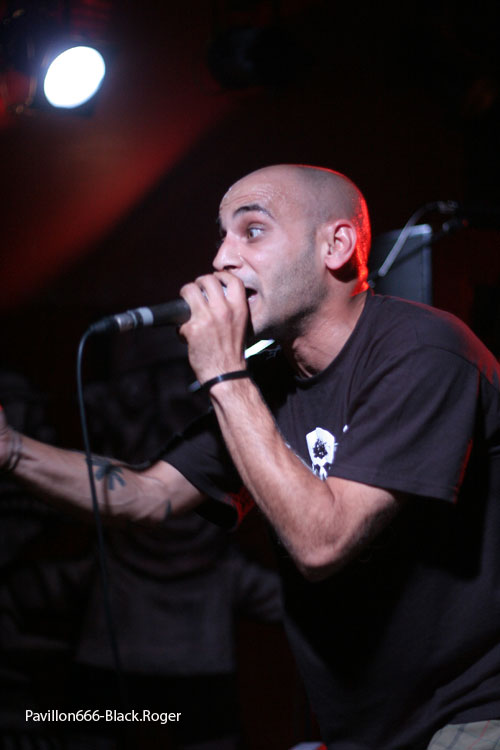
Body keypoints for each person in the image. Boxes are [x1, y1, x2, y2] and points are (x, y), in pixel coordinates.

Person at [2, 163, 500, 750]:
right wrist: (11, 451)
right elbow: (146, 495)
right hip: (367, 729)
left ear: (336, 245)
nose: (222, 259)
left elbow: (323, 542)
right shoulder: (264, 381)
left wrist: (223, 372)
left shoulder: (424, 352)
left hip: (471, 715)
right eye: (222, 236)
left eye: (252, 230)